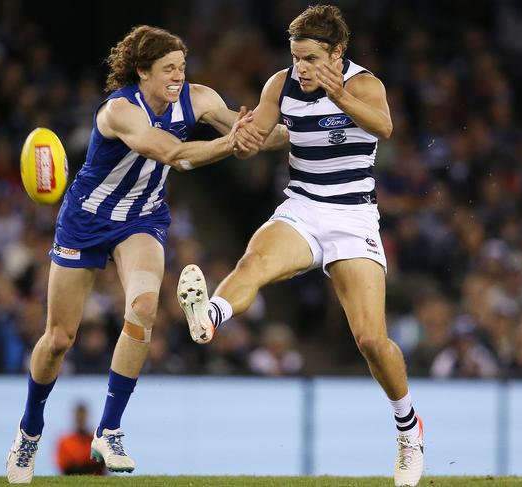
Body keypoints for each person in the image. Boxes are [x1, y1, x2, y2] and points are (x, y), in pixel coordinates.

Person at [6, 25, 282, 484]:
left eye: (182, 66)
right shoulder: (119, 111)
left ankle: (109, 431)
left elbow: (247, 129)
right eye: (168, 69)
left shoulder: (199, 97)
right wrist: (229, 144)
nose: (178, 75)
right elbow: (174, 153)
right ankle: (29, 431)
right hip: (86, 220)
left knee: (145, 307)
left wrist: (300, 134)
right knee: (58, 339)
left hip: (142, 220)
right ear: (142, 72)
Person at [177, 5, 424, 486]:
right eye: (296, 58)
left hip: (353, 217)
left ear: (338, 53)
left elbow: (385, 128)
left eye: (311, 59)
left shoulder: (366, 85)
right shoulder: (281, 84)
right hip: (303, 207)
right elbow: (265, 134)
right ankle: (208, 319)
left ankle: (408, 429)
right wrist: (245, 139)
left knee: (372, 340)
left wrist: (339, 95)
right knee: (255, 262)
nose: (302, 69)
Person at [55, 403, 106, 476]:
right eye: (79, 416)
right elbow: (65, 467)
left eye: (83, 416)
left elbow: (104, 463)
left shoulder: (97, 440)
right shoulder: (65, 442)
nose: (81, 419)